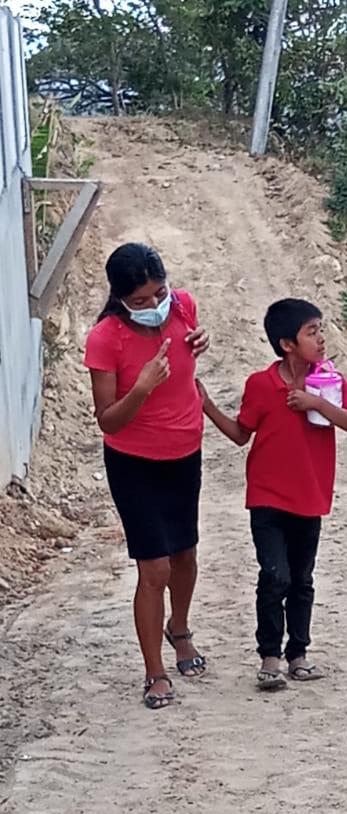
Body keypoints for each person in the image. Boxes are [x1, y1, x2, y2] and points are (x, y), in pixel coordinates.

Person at [200, 299, 347, 689]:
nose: (322, 339)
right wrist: (206, 405)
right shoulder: (261, 385)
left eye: (320, 329)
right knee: (274, 576)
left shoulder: (329, 381)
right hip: (266, 496)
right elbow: (242, 434)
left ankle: (300, 654)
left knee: (302, 579)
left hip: (310, 495)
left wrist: (317, 403)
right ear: (286, 343)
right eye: (312, 332)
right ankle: (270, 657)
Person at [83, 243, 210, 710]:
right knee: (153, 567)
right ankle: (154, 671)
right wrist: (141, 387)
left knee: (185, 554)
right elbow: (109, 419)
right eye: (140, 301)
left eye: (159, 293)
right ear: (119, 298)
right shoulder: (105, 338)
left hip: (185, 452)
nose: (154, 306)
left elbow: (190, 345)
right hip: (133, 462)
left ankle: (180, 627)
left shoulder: (183, 306)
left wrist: (200, 340)